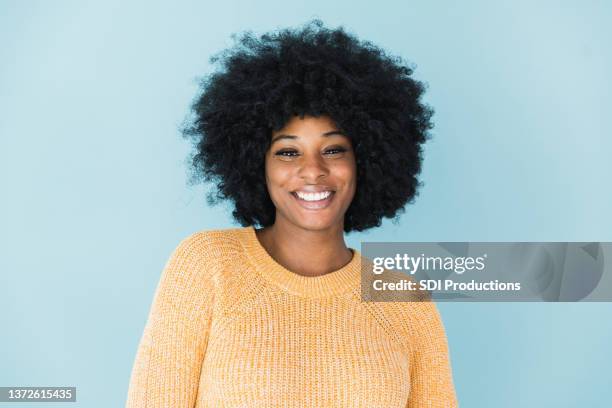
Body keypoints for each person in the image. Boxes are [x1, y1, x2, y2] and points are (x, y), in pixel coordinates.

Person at [125, 19, 458, 407]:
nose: (313, 170)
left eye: (333, 149)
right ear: (255, 163)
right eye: (287, 152)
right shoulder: (207, 266)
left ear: (366, 159)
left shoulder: (405, 301)